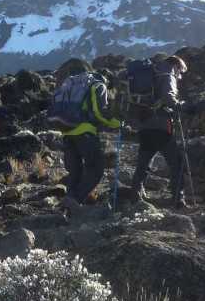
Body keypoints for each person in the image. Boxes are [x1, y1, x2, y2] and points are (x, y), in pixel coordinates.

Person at [56, 62, 122, 207]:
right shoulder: (98, 85)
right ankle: (75, 200)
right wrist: (118, 124)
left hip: (66, 131)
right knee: (96, 168)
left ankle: (68, 203)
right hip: (85, 132)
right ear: (106, 79)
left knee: (75, 171)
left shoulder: (72, 83)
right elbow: (99, 112)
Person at [130, 55, 190, 208]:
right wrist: (180, 106)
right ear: (176, 65)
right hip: (161, 125)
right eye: (181, 71)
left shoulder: (152, 71)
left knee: (143, 162)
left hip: (143, 124)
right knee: (176, 162)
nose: (180, 75)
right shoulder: (167, 73)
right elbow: (168, 96)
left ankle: (135, 194)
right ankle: (178, 198)